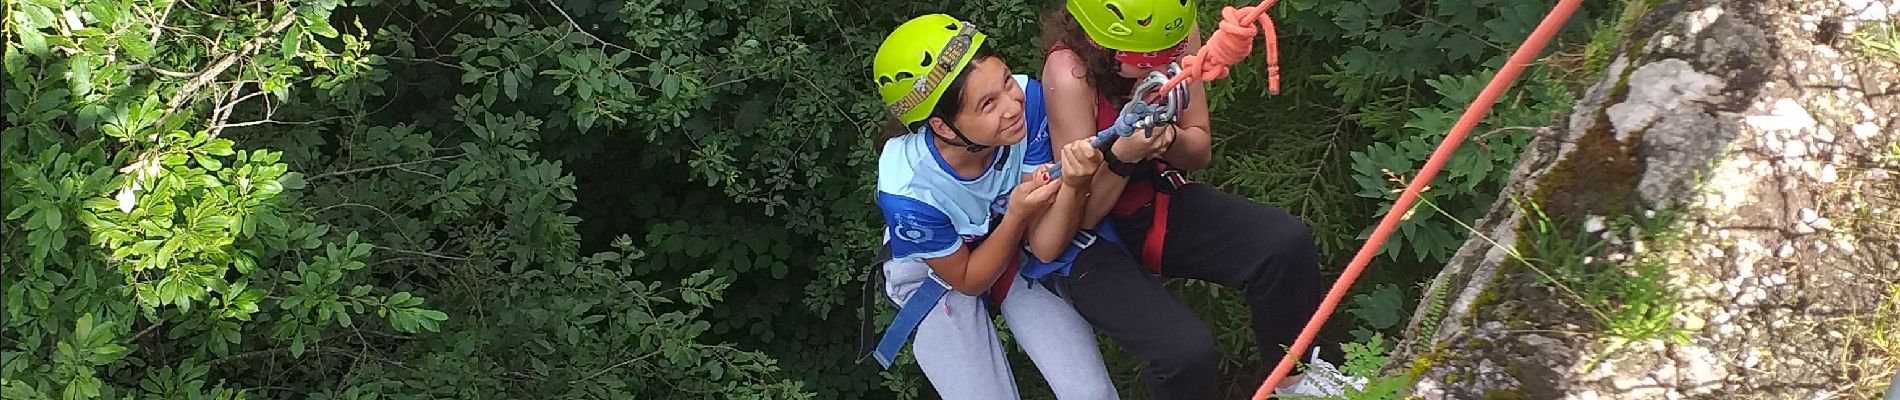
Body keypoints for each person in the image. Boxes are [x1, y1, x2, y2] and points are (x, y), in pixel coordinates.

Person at [1036, 0, 1364, 398]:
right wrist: (1123, 156)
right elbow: (1082, 215)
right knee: (1186, 353)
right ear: (1101, 45)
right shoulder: (1070, 71)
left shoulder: (1176, 32)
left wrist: (1168, 139)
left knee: (1284, 244)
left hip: (1149, 197)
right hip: (1094, 224)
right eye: (1144, 61)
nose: (1158, 69)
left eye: (1167, 57)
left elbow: (1200, 150)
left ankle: (1294, 381)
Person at [866, 13, 1119, 400]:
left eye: (1004, 81)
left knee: (1090, 394)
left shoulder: (1030, 102)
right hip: (934, 274)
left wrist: (1069, 186)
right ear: (943, 128)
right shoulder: (908, 190)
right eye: (987, 104)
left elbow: (1041, 236)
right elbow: (967, 278)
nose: (1011, 104)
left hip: (1013, 244)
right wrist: (1016, 213)